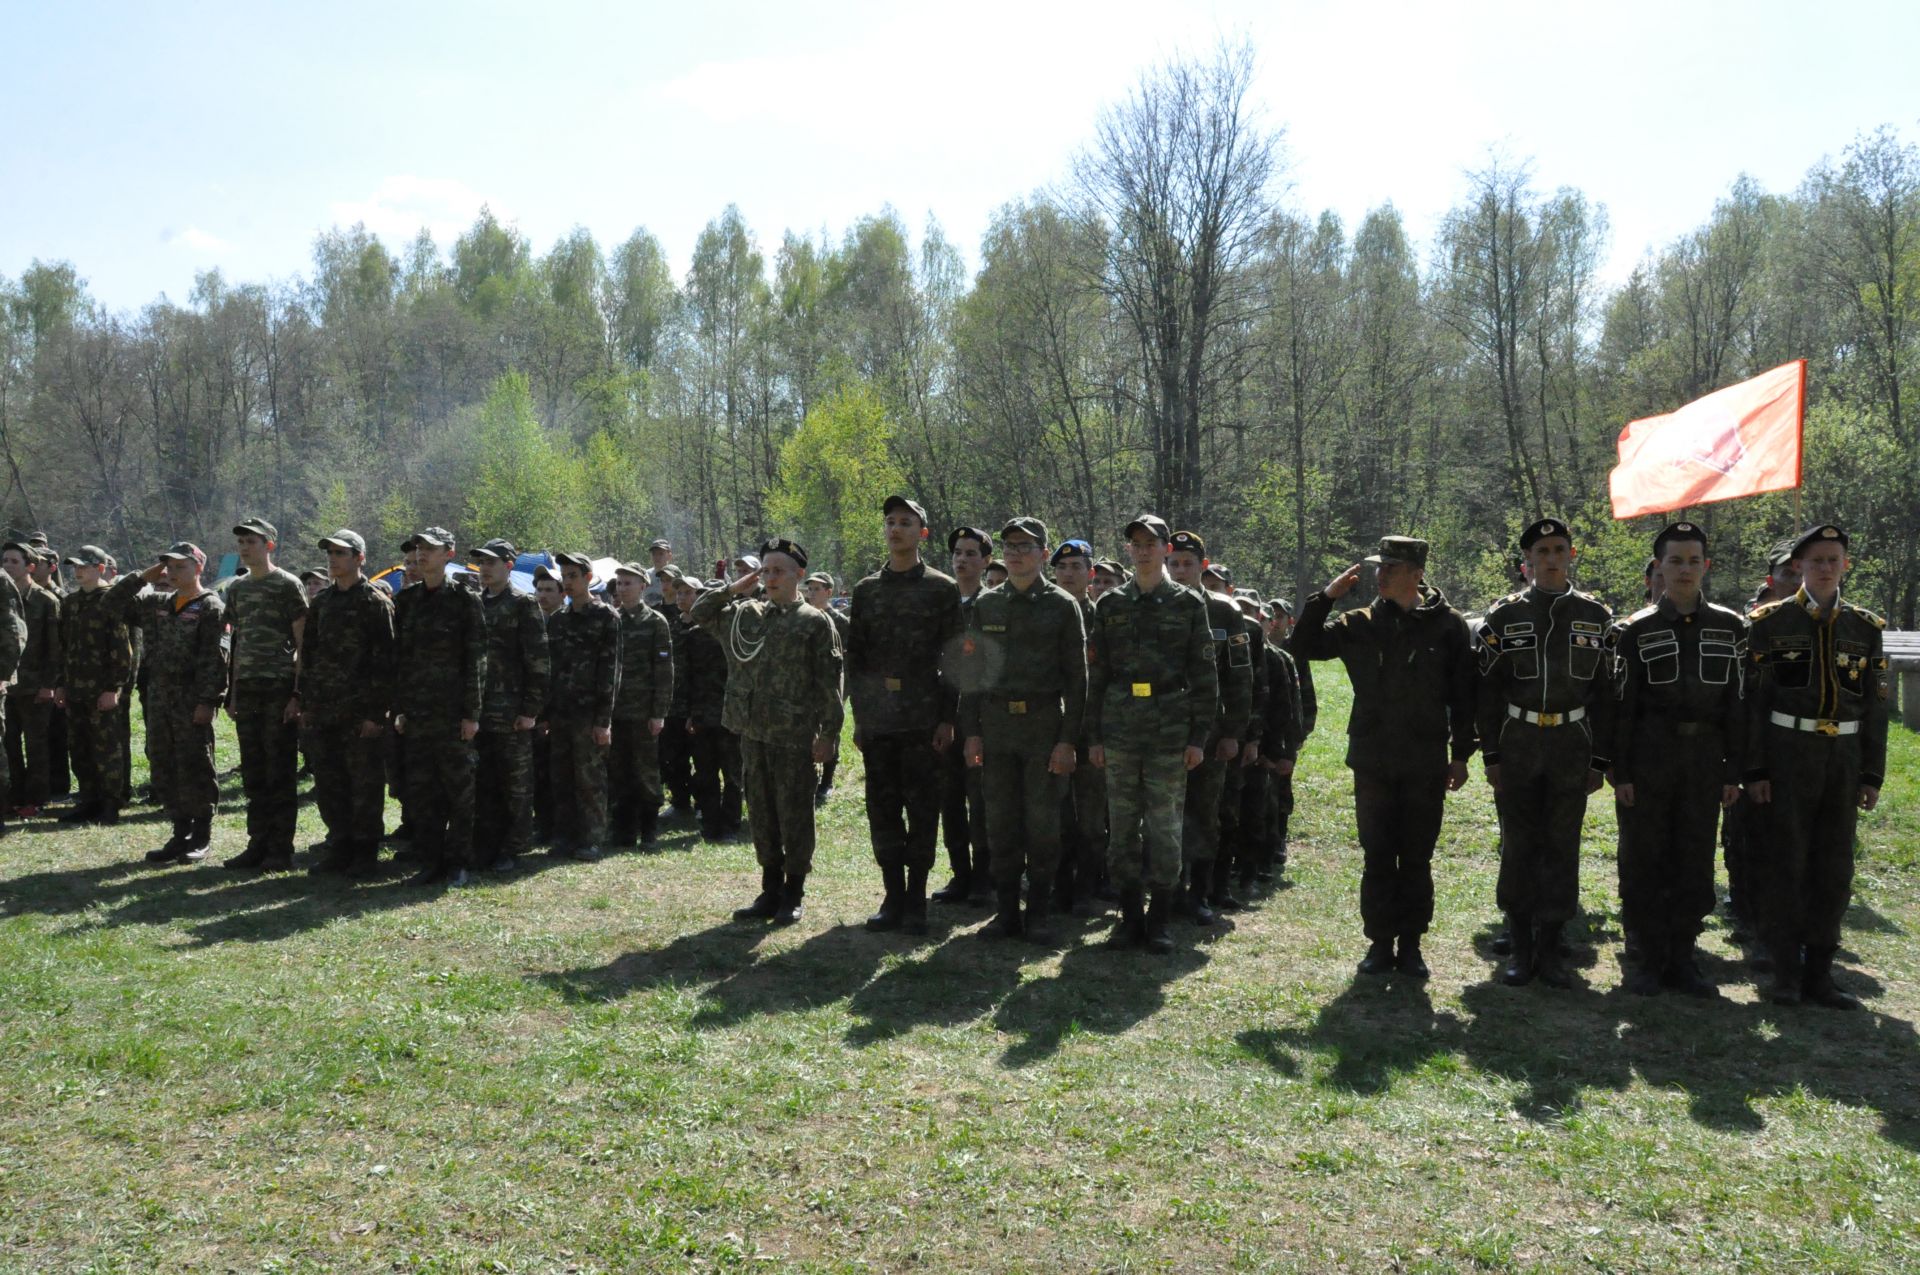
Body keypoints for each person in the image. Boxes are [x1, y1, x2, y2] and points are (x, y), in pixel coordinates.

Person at [1296, 537, 1477, 977]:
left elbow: (1465, 696)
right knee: (1377, 854)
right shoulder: (1358, 622)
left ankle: (1411, 945)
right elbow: (1303, 645)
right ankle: (1379, 943)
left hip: (1424, 760)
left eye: (1392, 567)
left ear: (1417, 574)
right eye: (1380, 566)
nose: (1382, 574)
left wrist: (1461, 755)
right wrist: (1325, 598)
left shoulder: (1448, 626)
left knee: (1416, 856)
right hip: (1373, 760)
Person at [1744, 523, 1888, 1009]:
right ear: (1797, 567)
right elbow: (1754, 706)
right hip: (1788, 754)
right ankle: (1784, 972)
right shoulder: (1768, 624)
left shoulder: (1865, 628)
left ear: (1845, 564)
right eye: (1815, 560)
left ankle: (1821, 973)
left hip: (1842, 759)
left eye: (1833, 559)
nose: (1825, 568)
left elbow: (1874, 708)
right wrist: (1756, 769)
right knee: (1786, 861)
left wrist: (1871, 774)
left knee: (1834, 866)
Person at [1607, 521, 1745, 997]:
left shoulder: (1730, 628)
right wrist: (1619, 771)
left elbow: (1738, 706)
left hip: (1705, 760)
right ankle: (1645, 958)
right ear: (1658, 568)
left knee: (1694, 856)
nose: (1684, 570)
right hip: (1650, 758)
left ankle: (1683, 957)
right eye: (1674, 561)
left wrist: (1735, 771)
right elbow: (1621, 708)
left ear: (1706, 566)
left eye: (1693, 560)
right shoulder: (1634, 630)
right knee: (1644, 857)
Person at [1476, 517, 1614, 988]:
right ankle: (1519, 944)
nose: (1551, 559)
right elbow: (1487, 691)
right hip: (1519, 741)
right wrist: (1490, 755)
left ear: (1571, 555)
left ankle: (1552, 946)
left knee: (1561, 845)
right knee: (1518, 844)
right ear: (1528, 562)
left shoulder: (1596, 617)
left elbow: (1607, 693)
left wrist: (1600, 760)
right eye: (1542, 552)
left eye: (1559, 549)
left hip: (1572, 746)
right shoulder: (1504, 616)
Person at [690, 539, 843, 926]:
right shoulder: (747, 614)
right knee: (760, 812)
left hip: (793, 735)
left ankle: (793, 891)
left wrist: (829, 733)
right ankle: (769, 888)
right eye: (765, 570)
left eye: (779, 571)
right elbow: (699, 611)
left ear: (799, 575)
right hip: (753, 730)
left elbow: (829, 682)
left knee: (794, 814)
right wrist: (735, 587)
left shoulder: (814, 621)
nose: (770, 578)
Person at [1086, 515, 1217, 954]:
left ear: (1165, 548)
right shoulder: (1111, 605)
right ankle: (1128, 918)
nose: (1142, 550)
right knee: (1122, 828)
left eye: (1150, 542)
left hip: (1169, 730)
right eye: (1135, 543)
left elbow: (1204, 675)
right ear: (1129, 550)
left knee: (1164, 828)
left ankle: (1159, 918)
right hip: (1121, 728)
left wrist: (1199, 737)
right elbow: (1097, 674)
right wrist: (1095, 737)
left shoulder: (1187, 604)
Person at [958, 518, 1087, 942]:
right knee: (1000, 822)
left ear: (1043, 554)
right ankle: (1007, 911)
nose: (1015, 553)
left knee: (1043, 824)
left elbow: (1077, 681)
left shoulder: (1062, 605)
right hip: (996, 728)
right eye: (1009, 546)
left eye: (1025, 547)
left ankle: (1040, 913)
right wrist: (971, 732)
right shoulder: (987, 604)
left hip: (1043, 727)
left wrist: (1068, 740)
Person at [846, 495, 963, 934]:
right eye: (891, 522)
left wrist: (947, 719)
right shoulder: (865, 590)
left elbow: (954, 660)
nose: (896, 529)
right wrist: (859, 718)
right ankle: (892, 895)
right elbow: (855, 660)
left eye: (906, 523)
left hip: (922, 720)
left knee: (922, 809)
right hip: (880, 722)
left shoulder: (940, 588)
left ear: (922, 533)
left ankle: (916, 899)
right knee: (883, 810)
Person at [1162, 531, 1253, 925]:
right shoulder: (1155, 605)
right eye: (1174, 563)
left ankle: (1198, 893)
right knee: (1162, 814)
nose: (1180, 570)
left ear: (1203, 565)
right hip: (1160, 727)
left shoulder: (1225, 611)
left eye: (1187, 563)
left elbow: (1240, 675)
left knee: (1203, 813)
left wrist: (1233, 731)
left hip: (1210, 732)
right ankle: (1164, 891)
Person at [392, 527, 486, 887]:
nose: (422, 554)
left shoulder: (465, 600)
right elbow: (400, 659)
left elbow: (477, 659)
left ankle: (458, 861)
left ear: (449, 552)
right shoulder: (408, 600)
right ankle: (430, 861)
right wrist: (400, 707)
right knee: (423, 793)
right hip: (417, 713)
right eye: (418, 548)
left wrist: (471, 714)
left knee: (459, 793)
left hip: (452, 714)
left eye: (429, 548)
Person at [299, 529, 396, 877]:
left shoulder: (375, 602)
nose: (333, 559)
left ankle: (365, 853)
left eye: (341, 553)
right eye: (330, 553)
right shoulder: (322, 603)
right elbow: (308, 656)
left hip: (359, 714)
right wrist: (306, 702)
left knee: (365, 786)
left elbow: (386, 663)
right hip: (325, 711)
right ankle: (338, 847)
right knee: (330, 784)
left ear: (360, 558)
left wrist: (376, 714)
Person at [134, 544, 229, 865]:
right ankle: (179, 832)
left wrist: (209, 700)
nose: (173, 573)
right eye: (169, 568)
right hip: (159, 698)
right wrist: (147, 573)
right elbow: (112, 603)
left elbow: (215, 659)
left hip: (191, 700)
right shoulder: (158, 603)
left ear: (198, 568)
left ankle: (201, 835)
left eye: (181, 567)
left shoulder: (210, 606)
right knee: (164, 763)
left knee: (195, 764)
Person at [222, 518, 307, 871]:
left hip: (278, 688)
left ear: (269, 545)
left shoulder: (287, 585)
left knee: (279, 771)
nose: (244, 547)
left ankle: (280, 849)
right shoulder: (237, 588)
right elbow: (236, 641)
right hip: (249, 688)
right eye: (241, 542)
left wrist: (297, 695)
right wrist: (233, 691)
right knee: (254, 773)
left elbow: (304, 644)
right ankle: (257, 843)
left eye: (251, 541)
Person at [472, 539, 549, 873]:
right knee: (484, 782)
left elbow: (538, 661)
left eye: (491, 562)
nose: (485, 568)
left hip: (512, 713)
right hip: (479, 711)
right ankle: (487, 844)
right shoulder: (475, 604)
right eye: (481, 563)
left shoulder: (523, 604)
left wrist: (531, 710)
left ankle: (514, 846)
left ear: (509, 565)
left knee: (515, 784)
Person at [54, 545, 145, 826]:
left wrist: (114, 688)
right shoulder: (70, 603)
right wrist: (60, 684)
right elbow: (63, 647)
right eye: (76, 567)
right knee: (79, 747)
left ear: (101, 568)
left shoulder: (111, 601)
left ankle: (110, 803)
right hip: (75, 687)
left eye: (85, 566)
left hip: (102, 689)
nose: (78, 571)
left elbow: (123, 650)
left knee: (107, 749)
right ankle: (88, 799)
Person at [546, 552, 622, 861]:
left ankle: (592, 838)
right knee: (562, 777)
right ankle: (565, 837)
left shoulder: (606, 617)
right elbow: (550, 669)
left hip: (590, 714)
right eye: (564, 576)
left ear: (588, 577)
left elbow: (610, 671)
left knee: (590, 780)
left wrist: (603, 721)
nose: (567, 582)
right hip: (561, 713)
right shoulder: (558, 620)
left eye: (573, 576)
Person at [1200, 561, 1266, 914]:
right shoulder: (1183, 613)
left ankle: (1219, 885)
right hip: (1196, 731)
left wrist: (1248, 736)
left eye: (1215, 584)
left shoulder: (1247, 628)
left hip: (1228, 731)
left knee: (1226, 812)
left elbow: (1252, 684)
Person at [933, 525, 993, 905]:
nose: (962, 559)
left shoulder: (993, 604)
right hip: (942, 715)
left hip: (981, 720)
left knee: (982, 802)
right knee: (950, 801)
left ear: (986, 561)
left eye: (971, 553)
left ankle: (985, 878)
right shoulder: (941, 603)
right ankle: (960, 875)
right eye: (957, 552)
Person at [1049, 537, 1110, 912]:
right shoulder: (1046, 613)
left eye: (1076, 567)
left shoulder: (1105, 616)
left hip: (1092, 732)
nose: (1069, 574)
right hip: (1052, 729)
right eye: (1062, 568)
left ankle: (1088, 886)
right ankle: (1059, 886)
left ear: (1090, 574)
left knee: (1091, 817)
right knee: (1056, 816)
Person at [610, 562, 673, 847]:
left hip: (644, 712)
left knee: (646, 771)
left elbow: (664, 671)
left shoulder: (655, 622)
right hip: (615, 711)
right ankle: (623, 830)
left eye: (629, 583)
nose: (623, 588)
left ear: (643, 586)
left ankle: (649, 829)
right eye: (620, 584)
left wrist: (659, 713)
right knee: (619, 771)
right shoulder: (611, 618)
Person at [678, 576, 742, 839]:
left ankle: (730, 825)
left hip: (732, 716)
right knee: (705, 774)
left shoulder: (737, 632)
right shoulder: (692, 637)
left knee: (733, 775)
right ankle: (710, 823)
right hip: (704, 715)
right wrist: (690, 713)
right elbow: (688, 677)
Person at [3, 541, 59, 818]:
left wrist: (49, 684)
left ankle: (37, 798)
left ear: (31, 567)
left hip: (35, 686)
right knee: (8, 744)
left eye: (14, 561)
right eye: (5, 561)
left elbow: (55, 647)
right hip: (7, 685)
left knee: (36, 745)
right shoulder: (3, 597)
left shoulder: (45, 600)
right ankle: (14, 796)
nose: (8, 565)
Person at [803, 571, 849, 804]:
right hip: (806, 686)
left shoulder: (840, 622)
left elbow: (849, 657)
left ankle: (827, 781)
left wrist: (843, 688)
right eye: (809, 588)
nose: (811, 593)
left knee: (831, 730)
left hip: (831, 685)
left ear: (829, 592)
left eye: (817, 589)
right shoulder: (804, 617)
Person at [530, 564, 565, 845]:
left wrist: (551, 715)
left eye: (549, 590)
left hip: (564, 714)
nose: (542, 595)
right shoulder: (532, 622)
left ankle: (561, 827)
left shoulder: (569, 622)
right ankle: (543, 825)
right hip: (535, 713)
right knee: (539, 774)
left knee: (561, 775)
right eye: (539, 589)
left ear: (562, 593)